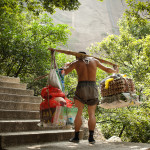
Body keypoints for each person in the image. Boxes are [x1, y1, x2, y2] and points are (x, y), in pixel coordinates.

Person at [62, 51, 119, 144]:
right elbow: (108, 70)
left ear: (78, 57)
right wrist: (115, 70)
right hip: (93, 87)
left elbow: (64, 73)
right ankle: (91, 138)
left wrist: (66, 65)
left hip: (81, 87)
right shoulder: (94, 61)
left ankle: (76, 137)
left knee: (78, 113)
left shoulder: (76, 63)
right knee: (91, 114)